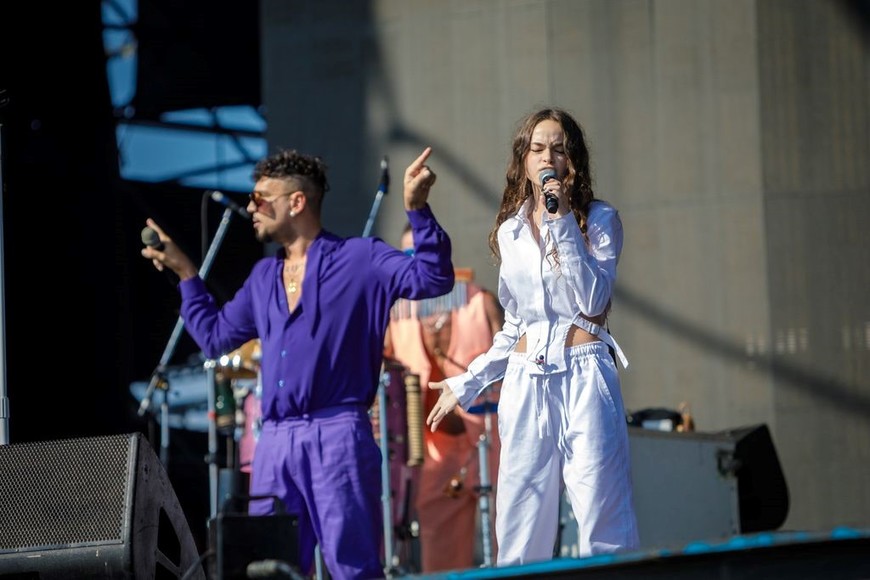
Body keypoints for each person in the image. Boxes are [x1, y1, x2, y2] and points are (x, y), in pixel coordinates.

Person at [142, 146, 454, 580]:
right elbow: (215, 338)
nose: (251, 206)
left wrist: (417, 209)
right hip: (276, 442)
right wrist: (185, 275)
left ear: (297, 201)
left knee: (353, 569)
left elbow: (433, 278)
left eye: (260, 197)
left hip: (338, 432)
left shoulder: (360, 258)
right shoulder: (262, 279)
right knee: (269, 569)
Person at [426, 107, 640, 566]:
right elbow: (514, 326)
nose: (548, 158)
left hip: (585, 378)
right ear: (523, 160)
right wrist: (467, 382)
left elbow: (592, 300)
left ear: (572, 161)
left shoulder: (600, 220)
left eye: (559, 149)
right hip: (526, 385)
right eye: (537, 148)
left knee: (604, 521)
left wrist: (562, 219)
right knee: (519, 527)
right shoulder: (511, 231)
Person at [383, 224, 504, 572]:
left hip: (493, 443)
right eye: (408, 255)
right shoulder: (396, 319)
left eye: (424, 252)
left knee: (509, 545)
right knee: (441, 560)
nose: (416, 261)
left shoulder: (480, 303)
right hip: (435, 455)